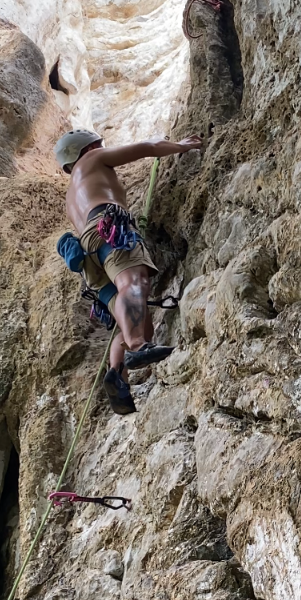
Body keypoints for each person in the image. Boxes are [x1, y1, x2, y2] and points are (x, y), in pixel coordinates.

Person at [54, 129, 202, 414]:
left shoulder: (72, 192)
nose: (101, 147)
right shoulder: (93, 158)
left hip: (89, 256)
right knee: (133, 283)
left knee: (132, 314)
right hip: (109, 230)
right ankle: (137, 346)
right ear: (89, 148)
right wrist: (180, 145)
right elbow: (148, 145)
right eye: (98, 145)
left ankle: (117, 373)